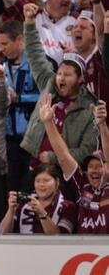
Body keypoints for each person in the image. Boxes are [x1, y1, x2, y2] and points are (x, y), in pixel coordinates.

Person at [20, 3, 97, 167]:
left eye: (68, 75)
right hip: (34, 165)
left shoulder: (90, 107)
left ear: (80, 79)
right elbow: (35, 53)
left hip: (67, 173)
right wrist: (29, 23)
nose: (60, 78)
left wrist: (54, 157)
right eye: (60, 73)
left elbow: (86, 150)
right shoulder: (49, 83)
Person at [38, 94, 109, 233]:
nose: (94, 170)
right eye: (90, 166)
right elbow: (64, 157)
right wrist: (48, 123)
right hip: (82, 250)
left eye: (99, 166)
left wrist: (102, 124)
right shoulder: (82, 186)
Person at [0, 20, 40, 191]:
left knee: (33, 189)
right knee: (13, 192)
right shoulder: (1, 67)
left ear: (20, 39)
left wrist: (19, 99)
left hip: (34, 140)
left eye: (5, 43)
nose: (1, 49)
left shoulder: (39, 65)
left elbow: (50, 96)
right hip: (10, 141)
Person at [0, 163, 77, 234]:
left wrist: (42, 213)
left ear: (57, 182)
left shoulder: (69, 207)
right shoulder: (24, 203)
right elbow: (1, 233)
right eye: (37, 181)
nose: (41, 184)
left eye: (46, 180)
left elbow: (62, 238)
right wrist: (11, 211)